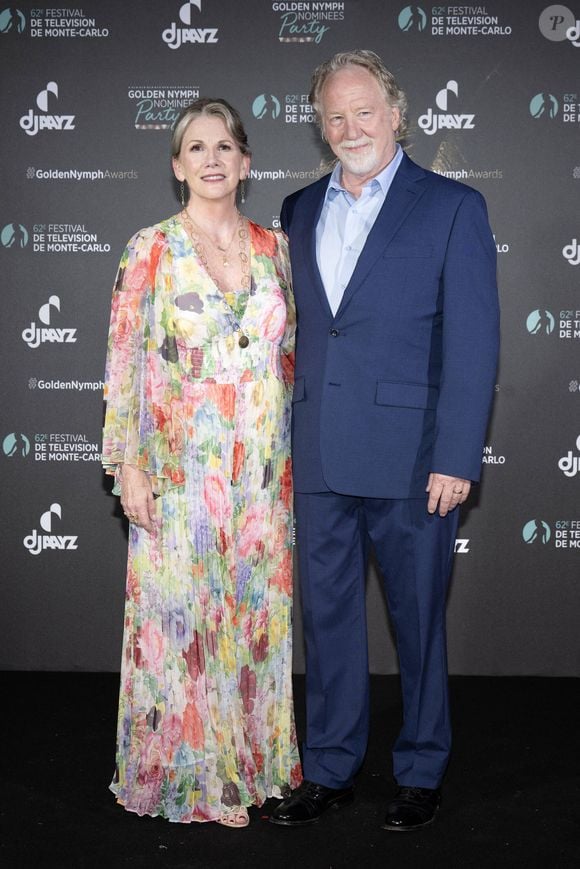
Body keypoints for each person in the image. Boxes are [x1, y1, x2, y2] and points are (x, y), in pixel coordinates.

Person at [270, 51, 499, 831]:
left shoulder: (451, 207)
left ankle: (421, 768)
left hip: (413, 459)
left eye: (364, 111)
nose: (349, 127)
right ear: (320, 124)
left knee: (418, 623)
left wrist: (457, 457)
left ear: (397, 114)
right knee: (326, 621)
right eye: (334, 115)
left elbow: (473, 345)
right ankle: (331, 767)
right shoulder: (297, 208)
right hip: (319, 454)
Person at [102, 98, 302, 828]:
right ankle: (198, 776)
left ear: (246, 164)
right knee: (184, 625)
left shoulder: (276, 248)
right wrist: (127, 463)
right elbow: (123, 365)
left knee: (252, 621)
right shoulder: (148, 248)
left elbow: (294, 356)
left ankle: (257, 762)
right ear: (177, 165)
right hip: (180, 470)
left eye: (225, 146)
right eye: (196, 147)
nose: (211, 158)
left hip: (261, 475)